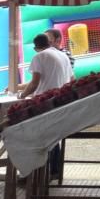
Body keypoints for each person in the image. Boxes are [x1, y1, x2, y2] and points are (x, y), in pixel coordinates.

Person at [20, 33, 74, 181]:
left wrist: (22, 95)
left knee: (40, 137)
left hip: (45, 101)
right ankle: (54, 170)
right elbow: (72, 79)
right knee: (53, 136)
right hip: (61, 99)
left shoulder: (39, 57)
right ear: (49, 43)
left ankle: (34, 173)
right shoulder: (62, 56)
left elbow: (35, 83)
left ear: (36, 47)